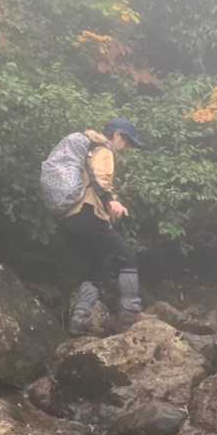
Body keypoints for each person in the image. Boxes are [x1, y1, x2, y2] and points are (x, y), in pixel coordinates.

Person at [60, 117, 144, 332]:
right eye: (127, 141)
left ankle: (79, 321)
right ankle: (130, 316)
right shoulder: (104, 150)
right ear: (117, 135)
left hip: (71, 218)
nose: (126, 147)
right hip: (90, 214)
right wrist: (111, 200)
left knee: (95, 268)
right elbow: (99, 178)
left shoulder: (87, 150)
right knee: (127, 257)